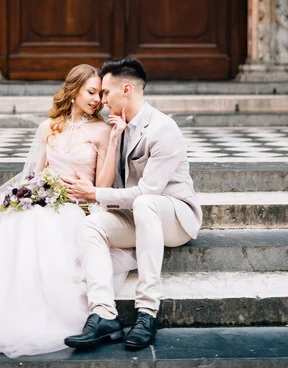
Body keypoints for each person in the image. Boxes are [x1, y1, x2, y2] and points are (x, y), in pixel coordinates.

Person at [0, 64, 135, 366]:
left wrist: (114, 140)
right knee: (21, 220)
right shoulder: (49, 128)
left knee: (44, 227)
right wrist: (27, 196)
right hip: (44, 201)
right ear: (73, 91)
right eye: (91, 92)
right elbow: (35, 175)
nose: (97, 99)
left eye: (100, 93)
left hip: (76, 209)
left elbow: (101, 186)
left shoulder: (102, 131)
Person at [62, 58, 202, 351]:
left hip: (175, 218)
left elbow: (147, 191)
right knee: (94, 224)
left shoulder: (163, 128)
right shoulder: (119, 127)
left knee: (146, 202)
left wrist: (95, 195)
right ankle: (103, 314)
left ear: (126, 89)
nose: (101, 100)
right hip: (140, 215)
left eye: (106, 93)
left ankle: (147, 311)